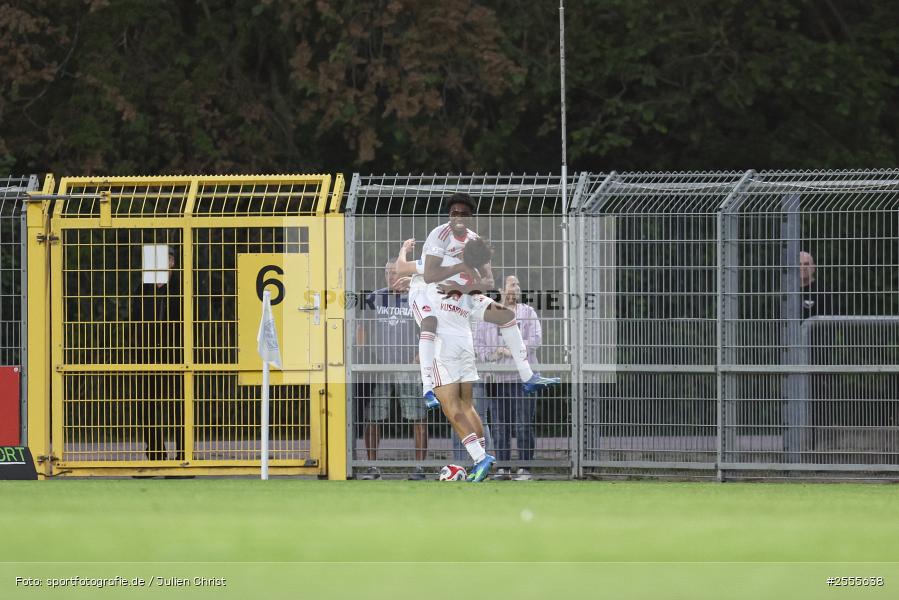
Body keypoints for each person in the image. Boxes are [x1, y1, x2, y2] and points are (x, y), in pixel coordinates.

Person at [408, 193, 560, 481]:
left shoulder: (468, 246)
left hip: (453, 327)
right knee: (465, 405)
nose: (458, 217)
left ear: (470, 217)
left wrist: (462, 283)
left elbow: (486, 281)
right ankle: (482, 458)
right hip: (456, 325)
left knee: (452, 405)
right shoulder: (439, 239)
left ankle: (480, 456)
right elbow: (423, 272)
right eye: (454, 213)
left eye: (463, 213)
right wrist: (459, 271)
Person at [356, 260, 430, 480]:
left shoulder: (415, 296)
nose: (391, 276)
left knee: (418, 417)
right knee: (373, 417)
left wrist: (419, 356)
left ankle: (419, 468)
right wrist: (365, 357)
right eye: (387, 272)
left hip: (408, 366)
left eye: (395, 272)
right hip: (380, 366)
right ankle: (373, 467)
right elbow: (361, 328)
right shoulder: (374, 297)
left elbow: (428, 326)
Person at [474, 275, 542, 480]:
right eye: (512, 284)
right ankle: (502, 468)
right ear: (501, 290)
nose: (517, 288)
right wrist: (495, 353)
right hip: (497, 379)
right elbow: (478, 344)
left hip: (523, 379)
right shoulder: (488, 315)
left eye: (518, 284)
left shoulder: (528, 313)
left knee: (523, 424)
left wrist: (512, 350)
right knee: (499, 425)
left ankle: (524, 468)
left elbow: (536, 339)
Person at [130, 246, 183, 462]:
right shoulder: (143, 289)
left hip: (177, 355)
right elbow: (134, 321)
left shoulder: (181, 286)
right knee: (147, 404)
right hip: (148, 355)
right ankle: (155, 454)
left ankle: (183, 455)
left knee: (180, 403)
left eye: (163, 259)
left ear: (172, 262)